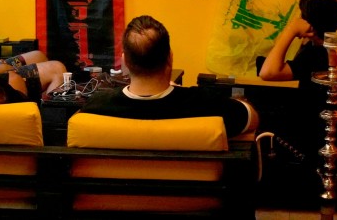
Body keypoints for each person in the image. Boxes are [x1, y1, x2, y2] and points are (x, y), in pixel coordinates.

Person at [81, 15, 258, 137]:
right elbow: (252, 118)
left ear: (124, 63)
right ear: (170, 58)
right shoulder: (205, 104)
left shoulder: (95, 107)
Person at [258, 0, 337, 88]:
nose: (298, 20)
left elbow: (267, 73)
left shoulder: (314, 56)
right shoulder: (318, 45)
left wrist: (291, 30)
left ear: (310, 25)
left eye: (301, 17)